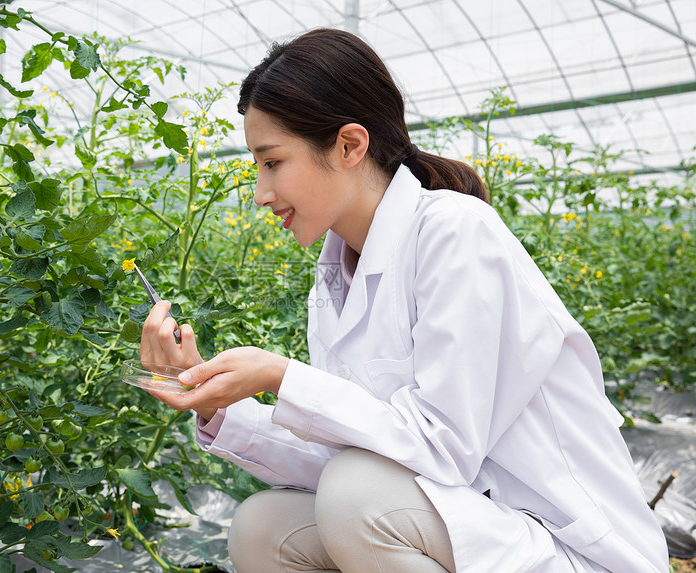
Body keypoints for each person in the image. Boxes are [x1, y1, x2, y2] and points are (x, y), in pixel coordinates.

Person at [139, 28, 668, 573]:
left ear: (349, 145)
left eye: (272, 162)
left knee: (356, 498)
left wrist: (282, 376)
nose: (260, 192)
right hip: (477, 530)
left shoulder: (455, 233)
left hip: (569, 548)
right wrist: (215, 403)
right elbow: (349, 451)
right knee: (263, 528)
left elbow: (443, 450)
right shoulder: (335, 277)